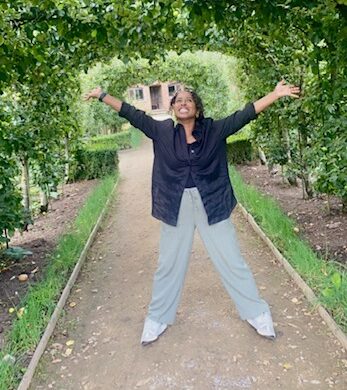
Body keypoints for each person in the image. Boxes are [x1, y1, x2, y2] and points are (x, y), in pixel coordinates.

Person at [84, 80, 300, 345]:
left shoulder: (215, 130)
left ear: (197, 109)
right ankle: (158, 317)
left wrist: (275, 94)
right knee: (168, 264)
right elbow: (132, 113)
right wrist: (102, 95)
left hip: (212, 201)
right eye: (178, 101)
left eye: (188, 100)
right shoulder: (162, 131)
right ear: (173, 109)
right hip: (175, 204)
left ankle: (255, 312)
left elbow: (246, 114)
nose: (183, 103)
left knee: (232, 259)